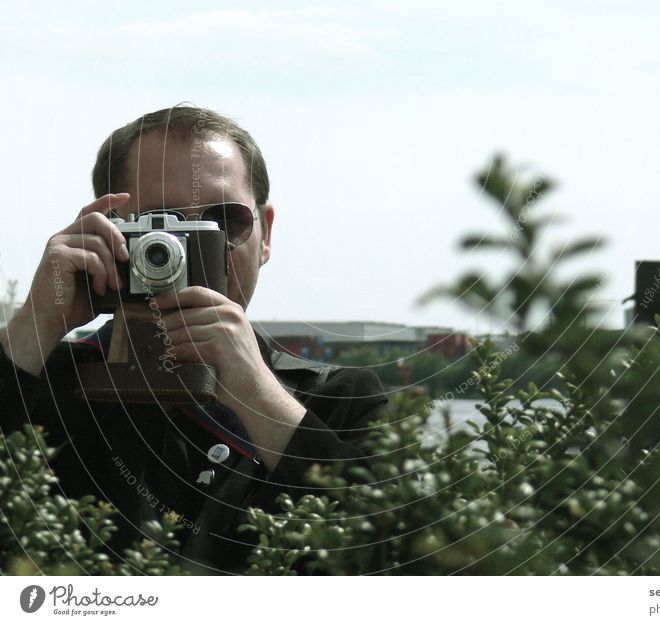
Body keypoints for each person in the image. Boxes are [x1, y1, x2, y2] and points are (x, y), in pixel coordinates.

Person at [0, 105, 387, 573]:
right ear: (109, 230)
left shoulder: (338, 403)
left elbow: (391, 557)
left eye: (226, 220)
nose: (192, 246)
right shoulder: (44, 385)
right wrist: (35, 324)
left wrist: (257, 396)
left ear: (265, 235)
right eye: (163, 223)